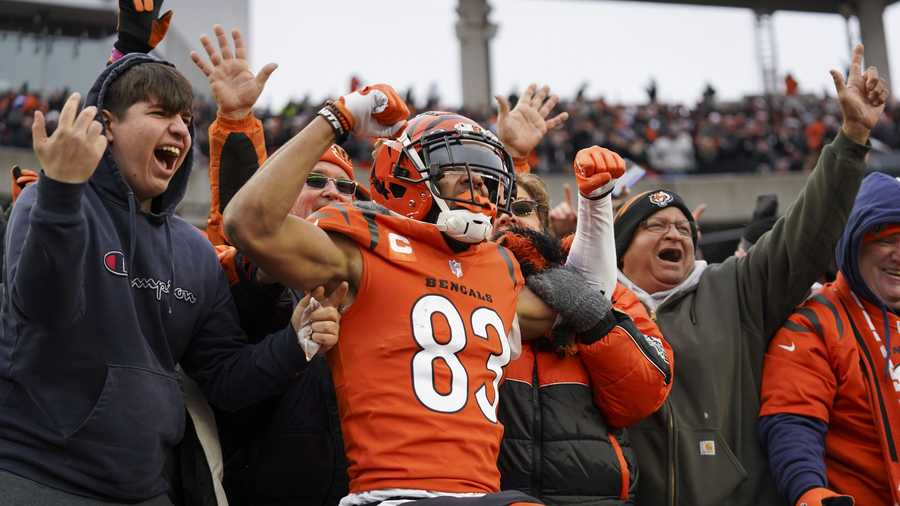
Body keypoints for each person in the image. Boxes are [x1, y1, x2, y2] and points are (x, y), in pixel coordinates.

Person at [221, 56, 580, 502]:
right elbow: (247, 223)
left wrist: (594, 203)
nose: (481, 193)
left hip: (478, 491)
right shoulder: (361, 245)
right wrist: (338, 116)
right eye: (463, 177)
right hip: (379, 490)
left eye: (487, 182)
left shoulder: (494, 267)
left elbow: (588, 306)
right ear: (406, 179)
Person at [0, 49, 343, 505]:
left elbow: (224, 378)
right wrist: (63, 193)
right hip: (35, 478)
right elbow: (43, 310)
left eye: (185, 118)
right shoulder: (47, 201)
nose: (180, 129)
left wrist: (295, 340)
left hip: (146, 489)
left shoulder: (194, 250)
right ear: (107, 125)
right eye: (160, 113)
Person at [612, 44, 890, 506]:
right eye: (656, 226)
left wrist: (852, 137)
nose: (675, 235)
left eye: (684, 228)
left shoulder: (732, 288)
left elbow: (806, 234)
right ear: (621, 251)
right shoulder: (597, 307)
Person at [191, 25, 364, 505]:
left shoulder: (372, 282)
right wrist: (236, 119)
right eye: (314, 179)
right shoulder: (254, 280)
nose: (334, 192)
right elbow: (241, 232)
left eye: (347, 187)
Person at [492, 148, 673, 505]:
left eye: (523, 209)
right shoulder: (451, 290)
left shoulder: (609, 292)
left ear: (543, 222)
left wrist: (595, 319)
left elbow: (642, 396)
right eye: (496, 208)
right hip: (490, 494)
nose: (509, 217)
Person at [759, 172, 900, 506]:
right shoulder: (816, 323)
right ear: (853, 242)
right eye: (887, 239)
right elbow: (792, 422)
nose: (899, 254)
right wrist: (810, 492)